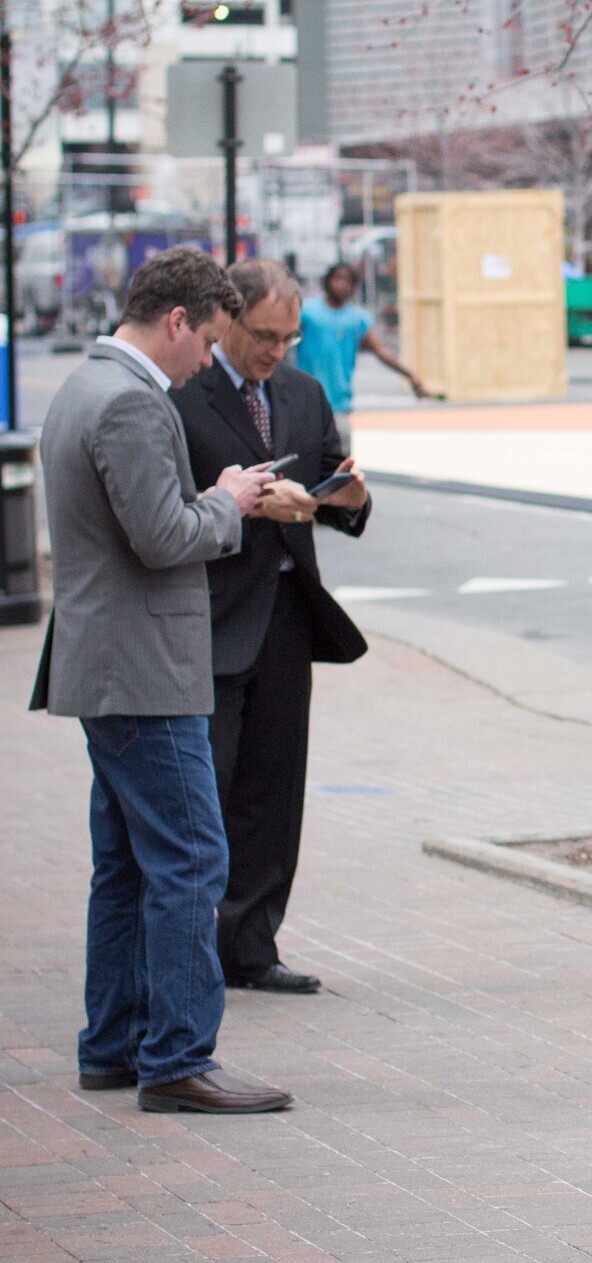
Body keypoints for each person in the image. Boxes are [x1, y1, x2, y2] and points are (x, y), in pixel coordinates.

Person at [30, 245, 293, 1114]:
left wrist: (208, 494)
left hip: (109, 666)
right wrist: (230, 501)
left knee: (127, 866)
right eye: (208, 341)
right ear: (177, 321)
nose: (205, 364)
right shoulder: (132, 404)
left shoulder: (83, 386)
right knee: (189, 860)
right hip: (146, 672)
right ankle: (178, 1057)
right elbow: (165, 537)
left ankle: (113, 1045)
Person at [171, 258, 372, 995]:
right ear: (227, 321)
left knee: (274, 788)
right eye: (263, 335)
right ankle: (195, 949)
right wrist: (246, 504)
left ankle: (252, 947)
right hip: (213, 617)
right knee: (208, 794)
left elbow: (335, 488)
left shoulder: (302, 391)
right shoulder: (183, 394)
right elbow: (168, 507)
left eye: (287, 338)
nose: (274, 352)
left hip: (288, 617)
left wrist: (345, 496)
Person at [295, 261, 425, 448]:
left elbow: (381, 351)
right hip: (306, 405)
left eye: (348, 281)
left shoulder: (357, 319)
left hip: (339, 406)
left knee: (340, 466)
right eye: (337, 279)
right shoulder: (307, 312)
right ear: (328, 281)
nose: (342, 285)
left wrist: (410, 375)